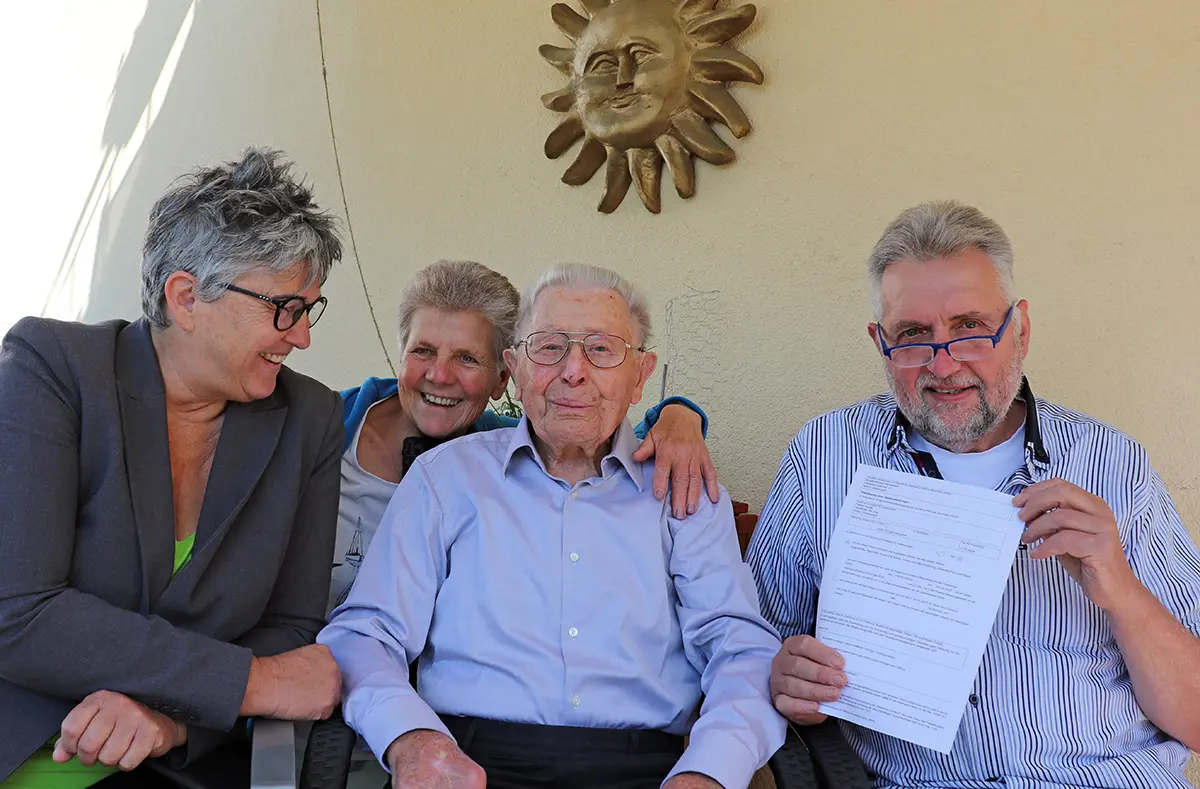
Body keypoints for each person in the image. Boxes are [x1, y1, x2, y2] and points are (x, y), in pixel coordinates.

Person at [747, 200, 1200, 788]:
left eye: (971, 328)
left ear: (1022, 330)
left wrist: (1120, 589)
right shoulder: (826, 455)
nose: (945, 363)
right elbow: (752, 654)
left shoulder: (1111, 464)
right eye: (913, 335)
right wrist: (784, 680)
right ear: (877, 342)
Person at [320, 264, 785, 789]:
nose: (573, 372)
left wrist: (709, 772)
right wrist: (411, 740)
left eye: (602, 349)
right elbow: (365, 632)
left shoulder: (682, 487)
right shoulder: (444, 478)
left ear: (640, 375)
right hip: (462, 767)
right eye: (549, 347)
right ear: (515, 370)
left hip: (647, 772)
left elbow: (740, 648)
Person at [0, 148, 346, 788]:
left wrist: (174, 718)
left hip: (180, 763)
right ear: (187, 298)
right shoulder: (54, 369)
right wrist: (248, 682)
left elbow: (294, 628)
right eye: (285, 309)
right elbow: (20, 610)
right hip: (22, 744)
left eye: (308, 309)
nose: (301, 338)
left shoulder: (310, 418)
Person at [331, 260, 717, 611]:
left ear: (506, 378)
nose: (440, 375)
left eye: (467, 358)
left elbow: (599, 433)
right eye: (423, 351)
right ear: (400, 357)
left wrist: (679, 415)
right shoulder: (327, 427)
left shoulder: (498, 452)